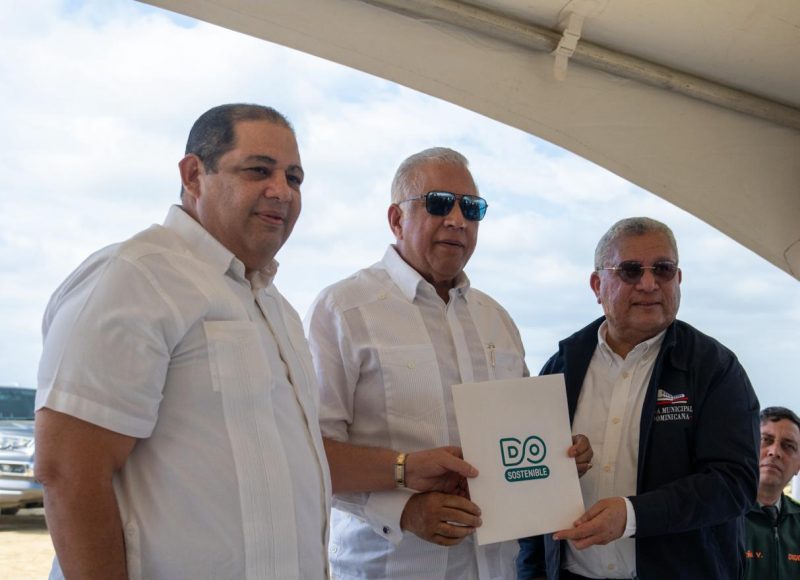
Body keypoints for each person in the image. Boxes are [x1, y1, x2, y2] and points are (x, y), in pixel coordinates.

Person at [34, 104, 330, 580]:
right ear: (194, 175)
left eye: (294, 178)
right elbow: (68, 473)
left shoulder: (276, 309)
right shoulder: (136, 276)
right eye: (259, 170)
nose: (282, 191)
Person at [306, 147, 592, 579]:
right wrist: (403, 511)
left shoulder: (496, 319)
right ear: (396, 219)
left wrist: (561, 455)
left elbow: (518, 440)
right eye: (439, 203)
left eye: (472, 209)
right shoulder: (342, 310)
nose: (458, 220)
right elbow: (310, 453)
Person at [517, 217, 760, 580]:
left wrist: (633, 516)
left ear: (678, 280)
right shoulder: (560, 367)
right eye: (630, 271)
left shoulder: (715, 369)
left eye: (663, 269)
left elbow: (734, 483)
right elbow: (529, 483)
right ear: (597, 285)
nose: (649, 284)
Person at [743, 406, 800, 580]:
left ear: (798, 465)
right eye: (765, 440)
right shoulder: (721, 516)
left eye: (788, 446)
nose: (774, 452)